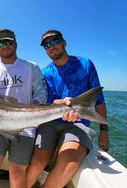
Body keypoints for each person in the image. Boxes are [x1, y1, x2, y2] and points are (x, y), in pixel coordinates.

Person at [26, 29, 109, 188]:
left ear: (64, 42)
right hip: (50, 122)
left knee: (69, 162)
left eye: (55, 41)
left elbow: (99, 100)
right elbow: (47, 101)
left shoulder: (85, 64)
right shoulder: (45, 73)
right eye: (46, 45)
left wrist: (104, 131)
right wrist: (62, 104)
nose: (51, 46)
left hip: (78, 123)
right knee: (36, 163)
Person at [0, 29, 47, 188]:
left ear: (15, 44)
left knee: (17, 175)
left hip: (25, 127)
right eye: (0, 43)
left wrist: (34, 105)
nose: (4, 46)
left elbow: (42, 92)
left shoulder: (31, 67)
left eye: (8, 42)